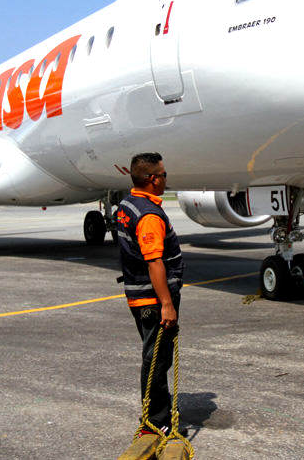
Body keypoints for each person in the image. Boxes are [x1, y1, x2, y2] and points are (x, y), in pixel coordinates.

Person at [117, 152, 185, 437]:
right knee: (156, 359)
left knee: (154, 356)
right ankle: (155, 421)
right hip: (153, 299)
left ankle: (155, 412)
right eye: (164, 174)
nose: (167, 179)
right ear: (153, 179)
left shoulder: (127, 204)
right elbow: (154, 260)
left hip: (140, 294)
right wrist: (167, 304)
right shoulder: (147, 215)